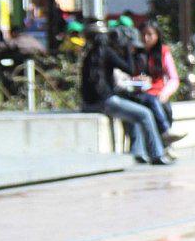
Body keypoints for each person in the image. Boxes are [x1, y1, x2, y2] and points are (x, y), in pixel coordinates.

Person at [79, 22, 173, 165]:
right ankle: (157, 154)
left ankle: (138, 152)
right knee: (145, 113)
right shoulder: (107, 52)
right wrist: (129, 49)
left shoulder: (90, 55)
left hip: (89, 104)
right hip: (105, 102)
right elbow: (129, 69)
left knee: (133, 114)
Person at [137, 20, 187, 146]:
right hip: (141, 92)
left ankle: (166, 145)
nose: (145, 38)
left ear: (157, 36)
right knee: (152, 104)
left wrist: (165, 93)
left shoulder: (163, 52)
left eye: (150, 34)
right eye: (143, 34)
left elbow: (173, 78)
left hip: (159, 92)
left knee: (166, 108)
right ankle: (165, 136)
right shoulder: (135, 52)